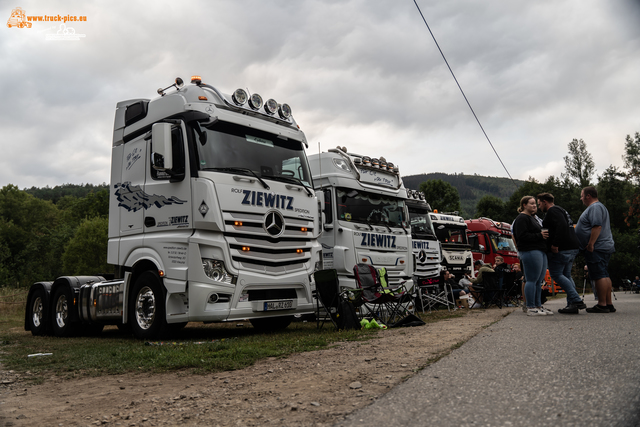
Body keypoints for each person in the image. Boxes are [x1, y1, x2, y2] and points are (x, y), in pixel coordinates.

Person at [537, 192, 587, 314]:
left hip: (563, 248)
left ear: (545, 202)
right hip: (572, 246)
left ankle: (575, 300)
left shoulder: (553, 211)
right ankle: (572, 305)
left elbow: (562, 226)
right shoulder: (561, 210)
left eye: (539, 204)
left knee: (556, 274)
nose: (539, 207)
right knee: (566, 275)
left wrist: (555, 244)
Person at [575, 186, 616, 313]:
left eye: (582, 195)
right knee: (604, 274)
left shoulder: (595, 207)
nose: (581, 198)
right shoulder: (598, 207)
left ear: (588, 196)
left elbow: (597, 226)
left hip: (597, 247)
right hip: (603, 246)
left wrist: (591, 244)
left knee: (599, 275)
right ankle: (608, 303)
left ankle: (602, 304)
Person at [512, 195, 551, 316]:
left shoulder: (533, 218)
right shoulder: (522, 219)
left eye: (535, 204)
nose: (534, 206)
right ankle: (530, 306)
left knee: (539, 280)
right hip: (530, 251)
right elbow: (521, 236)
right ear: (524, 205)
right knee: (531, 279)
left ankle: (538, 305)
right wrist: (539, 235)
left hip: (540, 250)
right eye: (531, 204)